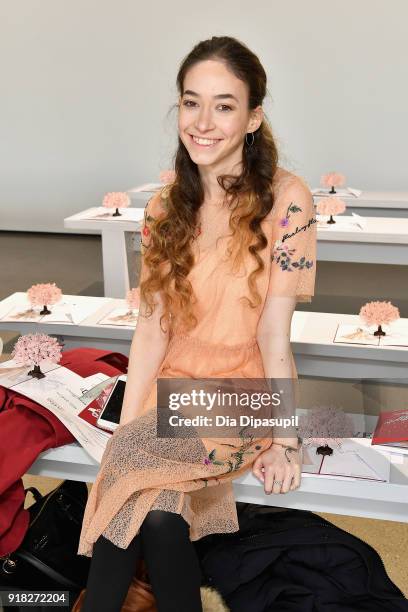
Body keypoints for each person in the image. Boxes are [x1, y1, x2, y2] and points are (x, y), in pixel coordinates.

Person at [78, 35, 317, 612]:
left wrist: (286, 440)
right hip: (173, 397)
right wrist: (131, 428)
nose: (202, 122)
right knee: (158, 518)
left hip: (245, 400)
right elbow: (153, 329)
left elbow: (272, 335)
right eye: (191, 102)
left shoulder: (288, 200)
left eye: (224, 105)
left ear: (254, 116)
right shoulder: (166, 206)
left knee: (133, 476)